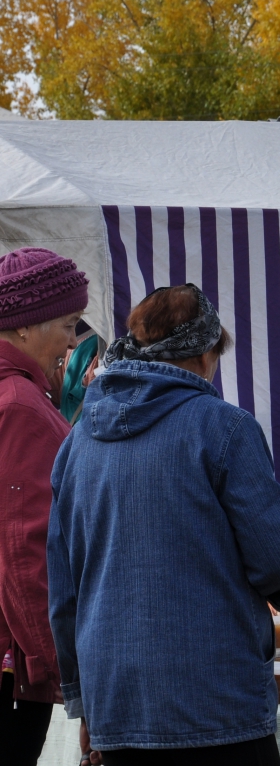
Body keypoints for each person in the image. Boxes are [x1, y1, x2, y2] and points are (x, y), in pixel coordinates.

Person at [48, 284, 280, 765]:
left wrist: (85, 704)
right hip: (217, 702)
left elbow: (64, 593)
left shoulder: (76, 443)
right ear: (206, 354)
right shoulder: (224, 428)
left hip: (117, 702)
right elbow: (275, 555)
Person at [0, 247, 89, 766]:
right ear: (26, 328)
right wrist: (59, 670)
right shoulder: (18, 406)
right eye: (69, 324)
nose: (74, 342)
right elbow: (24, 551)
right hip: (14, 668)